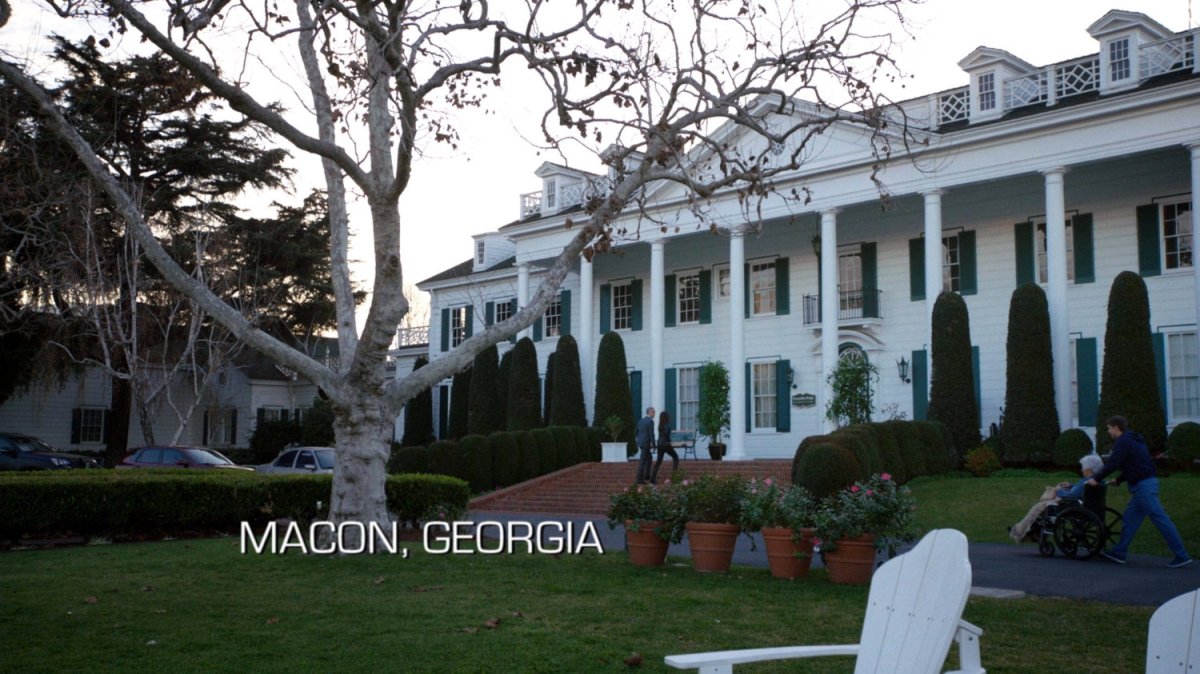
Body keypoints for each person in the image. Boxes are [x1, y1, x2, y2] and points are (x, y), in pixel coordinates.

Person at [1089, 415, 1191, 568]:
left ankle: (1182, 556)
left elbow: (1114, 463)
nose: (1108, 431)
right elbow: (1134, 463)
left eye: (1109, 428)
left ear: (1116, 428)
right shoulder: (1134, 440)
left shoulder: (1123, 442)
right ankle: (1119, 553)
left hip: (1143, 487)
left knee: (1160, 519)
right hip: (1142, 485)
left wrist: (1096, 478)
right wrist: (1119, 480)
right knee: (1130, 520)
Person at [1009, 453, 1106, 543]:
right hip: (1091, 508)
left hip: (1072, 506)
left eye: (1084, 468)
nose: (1082, 470)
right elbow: (1080, 491)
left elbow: (1072, 495)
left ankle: (1019, 531)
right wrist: (1070, 485)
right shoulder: (1098, 480)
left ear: (1090, 470)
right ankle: (1032, 531)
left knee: (1037, 507)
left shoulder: (1087, 481)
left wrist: (1057, 490)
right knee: (1040, 507)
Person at [650, 410, 679, 484]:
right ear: (666, 417)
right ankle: (675, 478)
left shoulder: (660, 425)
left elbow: (662, 435)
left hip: (659, 444)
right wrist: (670, 441)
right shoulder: (667, 425)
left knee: (658, 462)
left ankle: (652, 479)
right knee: (676, 458)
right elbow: (666, 434)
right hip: (666, 444)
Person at [634, 407, 656, 485]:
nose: (654, 414)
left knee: (649, 458)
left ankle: (647, 475)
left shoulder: (641, 421)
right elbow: (651, 434)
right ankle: (639, 479)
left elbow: (636, 431)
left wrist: (639, 439)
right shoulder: (650, 421)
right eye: (653, 412)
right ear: (649, 413)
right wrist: (654, 445)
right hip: (646, 443)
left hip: (641, 442)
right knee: (642, 461)